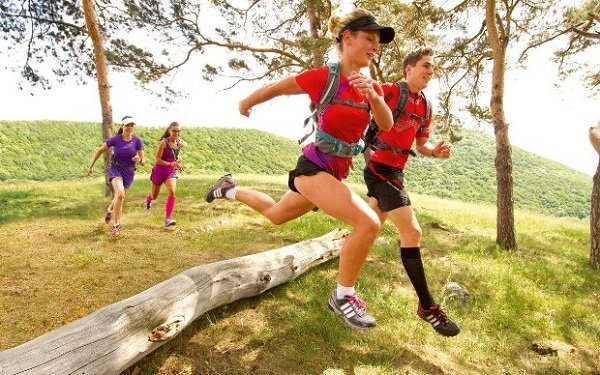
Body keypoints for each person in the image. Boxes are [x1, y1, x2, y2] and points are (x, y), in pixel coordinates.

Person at [204, 9, 395, 330]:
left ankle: (228, 188)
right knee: (369, 223)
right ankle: (343, 296)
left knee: (277, 215)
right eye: (369, 38)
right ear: (347, 39)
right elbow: (279, 87)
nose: (375, 46)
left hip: (333, 174)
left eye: (378, 42)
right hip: (313, 169)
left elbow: (386, 124)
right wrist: (246, 102)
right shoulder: (325, 77)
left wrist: (374, 96)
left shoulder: (369, 86)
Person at [362, 47, 460, 336]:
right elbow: (358, 106)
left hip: (397, 171)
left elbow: (422, 145)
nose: (431, 71)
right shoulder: (391, 91)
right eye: (426, 66)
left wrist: (435, 152)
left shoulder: (426, 107)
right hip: (379, 168)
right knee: (413, 232)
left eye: (433, 68)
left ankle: (342, 288)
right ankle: (427, 306)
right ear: (409, 69)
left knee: (365, 228)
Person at [87, 115, 145, 235]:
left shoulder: (137, 141)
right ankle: (117, 225)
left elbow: (143, 161)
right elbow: (100, 150)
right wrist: (91, 166)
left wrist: (138, 159)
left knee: (119, 196)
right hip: (116, 169)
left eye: (131, 125)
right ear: (122, 126)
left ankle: (109, 209)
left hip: (129, 172)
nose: (129, 127)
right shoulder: (115, 139)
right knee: (120, 194)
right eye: (127, 125)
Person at [145, 121, 183, 227]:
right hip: (159, 171)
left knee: (172, 191)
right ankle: (149, 199)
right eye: (174, 131)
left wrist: (177, 164)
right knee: (155, 196)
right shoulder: (164, 142)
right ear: (169, 131)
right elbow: (157, 160)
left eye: (178, 131)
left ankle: (168, 219)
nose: (176, 133)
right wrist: (171, 163)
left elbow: (175, 157)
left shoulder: (179, 143)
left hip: (170, 172)